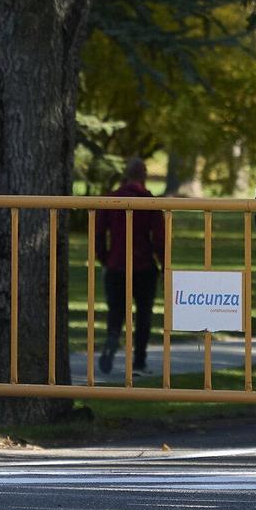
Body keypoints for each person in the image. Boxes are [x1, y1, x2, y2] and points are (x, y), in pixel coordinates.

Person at [96, 157, 164, 375]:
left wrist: (104, 258)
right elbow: (159, 237)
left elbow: (98, 233)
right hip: (144, 265)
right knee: (143, 314)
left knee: (116, 310)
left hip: (116, 264)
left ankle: (113, 337)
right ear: (144, 175)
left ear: (125, 174)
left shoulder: (111, 199)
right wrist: (163, 264)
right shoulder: (149, 201)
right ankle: (139, 361)